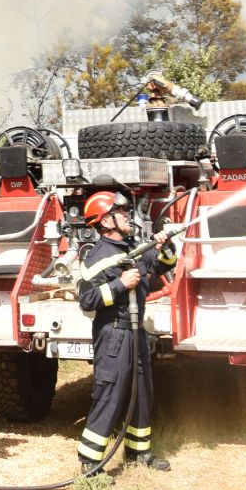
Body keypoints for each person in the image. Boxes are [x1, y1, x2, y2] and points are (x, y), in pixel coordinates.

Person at [74, 189, 177, 474]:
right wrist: (120, 284)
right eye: (120, 213)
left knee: (142, 392)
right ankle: (90, 462)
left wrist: (164, 245)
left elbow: (165, 264)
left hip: (137, 333)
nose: (127, 216)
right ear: (106, 222)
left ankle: (138, 453)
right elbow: (87, 299)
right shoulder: (97, 257)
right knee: (109, 393)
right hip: (114, 336)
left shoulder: (133, 248)